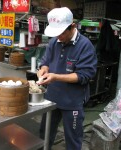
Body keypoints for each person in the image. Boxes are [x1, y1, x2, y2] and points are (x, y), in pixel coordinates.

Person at [37, 7, 97, 150]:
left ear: (73, 27)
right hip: (51, 98)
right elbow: (45, 62)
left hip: (73, 101)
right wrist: (43, 69)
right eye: (55, 33)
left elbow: (84, 75)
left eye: (62, 33)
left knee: (73, 139)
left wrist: (55, 77)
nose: (59, 37)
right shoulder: (53, 42)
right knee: (44, 135)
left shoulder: (85, 46)